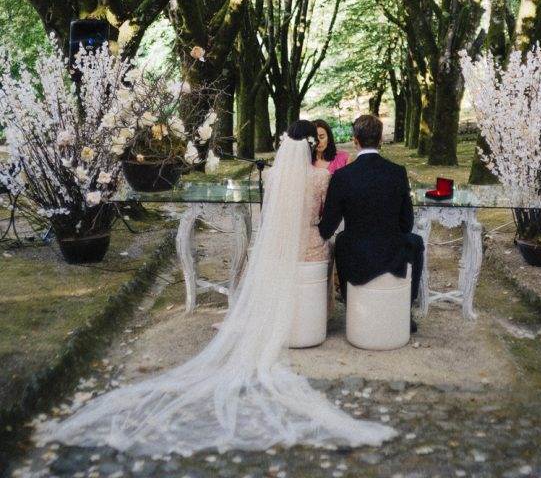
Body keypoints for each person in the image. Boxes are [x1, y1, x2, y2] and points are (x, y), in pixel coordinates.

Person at [42, 121, 394, 455]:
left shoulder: (271, 177)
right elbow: (325, 221)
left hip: (277, 249)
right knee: (327, 246)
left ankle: (283, 319)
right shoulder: (322, 178)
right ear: (311, 146)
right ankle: (317, 319)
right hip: (311, 250)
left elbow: (273, 217)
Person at [318, 114, 424, 330]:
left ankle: (352, 304)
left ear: (355, 140)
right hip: (392, 252)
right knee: (415, 241)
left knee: (341, 239)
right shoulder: (397, 172)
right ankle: (406, 309)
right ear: (381, 139)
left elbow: (328, 227)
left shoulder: (342, 176)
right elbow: (406, 223)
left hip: (356, 254)